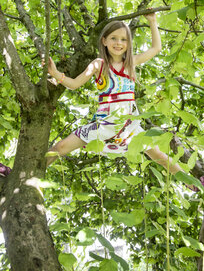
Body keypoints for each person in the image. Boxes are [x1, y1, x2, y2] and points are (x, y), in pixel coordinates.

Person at [46, 13, 184, 175]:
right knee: (60, 147)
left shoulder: (131, 62)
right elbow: (75, 84)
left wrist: (152, 21)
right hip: (104, 124)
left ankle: (194, 184)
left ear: (128, 43)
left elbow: (156, 48)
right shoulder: (98, 64)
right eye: (113, 38)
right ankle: (24, 174)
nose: (118, 43)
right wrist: (55, 74)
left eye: (123, 39)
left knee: (158, 155)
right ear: (104, 41)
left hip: (128, 126)